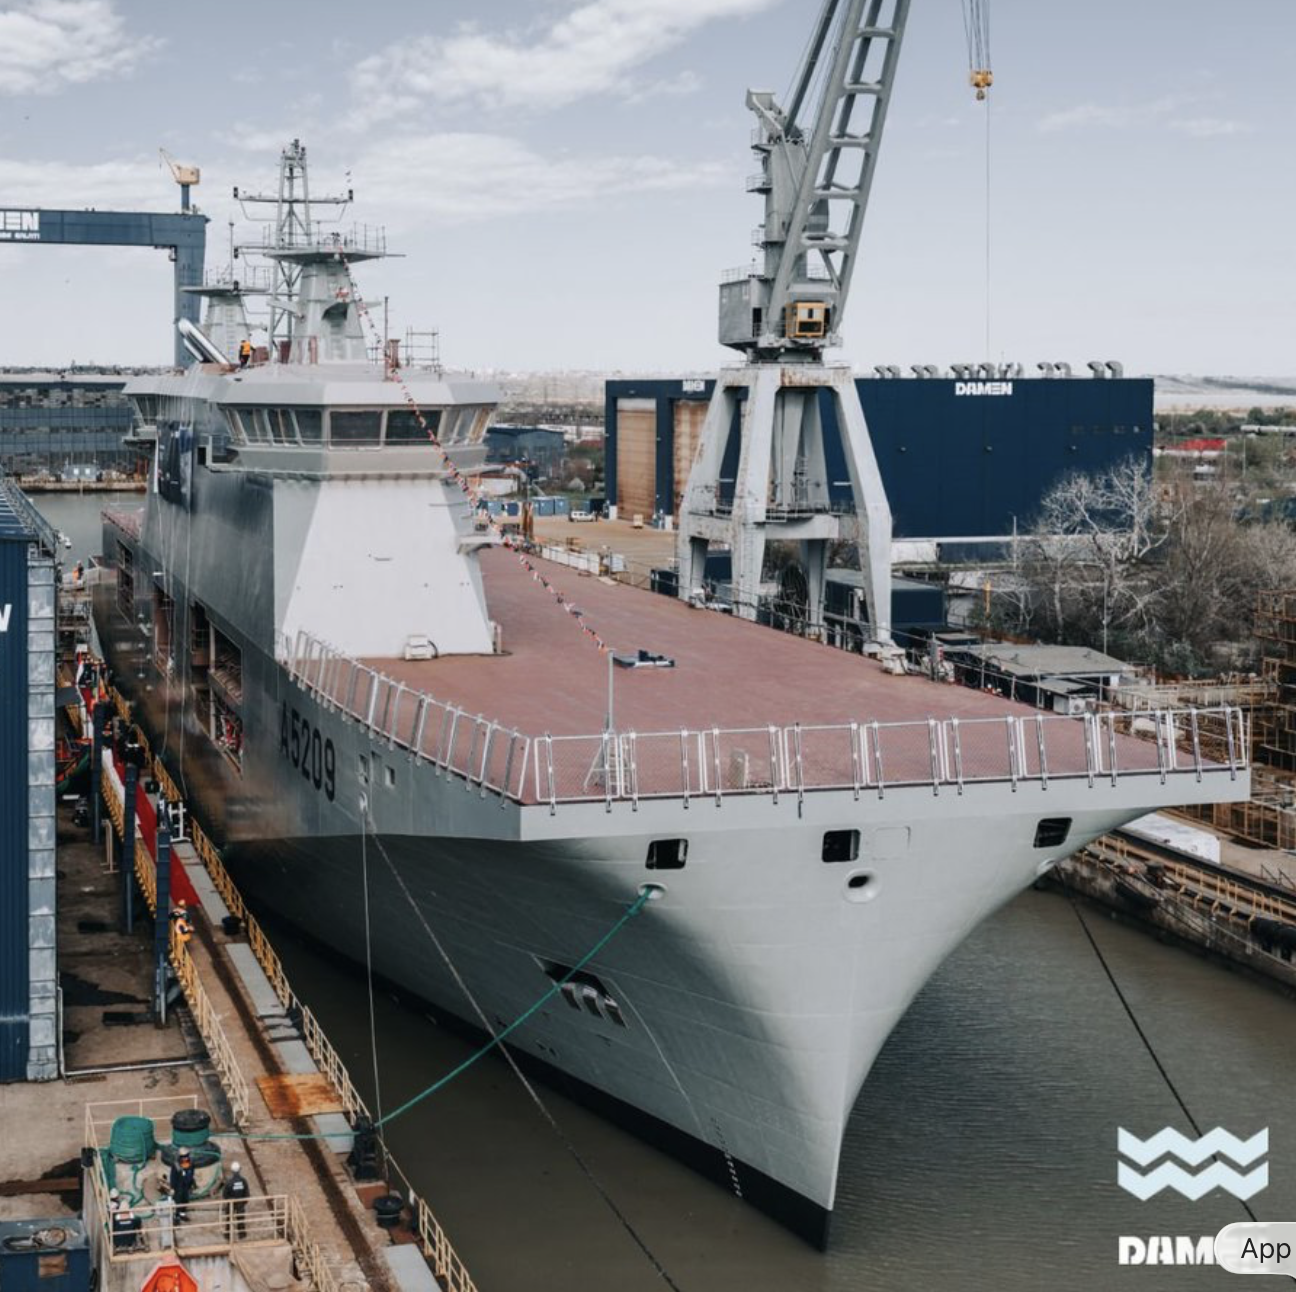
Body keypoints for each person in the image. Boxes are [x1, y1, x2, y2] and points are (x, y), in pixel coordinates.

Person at [223, 1161, 251, 1240]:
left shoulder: (229, 1182)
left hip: (231, 1203)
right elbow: (247, 1193)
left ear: (232, 1170)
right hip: (240, 1203)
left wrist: (229, 1200)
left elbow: (225, 1195)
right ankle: (242, 1234)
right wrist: (243, 1202)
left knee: (229, 1218)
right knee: (241, 1218)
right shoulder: (243, 1181)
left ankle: (228, 1235)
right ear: (239, 1170)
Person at [170, 1151, 195, 1223]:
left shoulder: (191, 1164)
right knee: (178, 1201)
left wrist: (191, 1184)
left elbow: (192, 1174)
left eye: (186, 1156)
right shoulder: (176, 1165)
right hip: (178, 1186)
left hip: (186, 1186)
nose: (185, 1158)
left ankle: (182, 1214)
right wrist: (172, 1187)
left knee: (185, 1200)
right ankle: (176, 1216)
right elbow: (173, 1177)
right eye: (183, 1157)